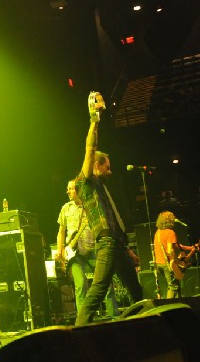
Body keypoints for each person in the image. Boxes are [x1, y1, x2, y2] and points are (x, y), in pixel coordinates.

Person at [73, 91, 143, 326]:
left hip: (117, 244)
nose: (111, 171)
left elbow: (114, 220)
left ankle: (144, 326)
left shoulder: (101, 188)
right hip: (107, 243)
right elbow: (90, 150)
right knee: (98, 290)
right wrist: (94, 119)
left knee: (136, 292)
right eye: (108, 167)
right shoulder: (86, 182)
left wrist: (127, 248)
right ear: (97, 165)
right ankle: (77, 334)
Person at [56, 180, 119, 319]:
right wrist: (60, 250)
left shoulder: (89, 206)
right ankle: (84, 320)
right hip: (75, 254)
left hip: (93, 250)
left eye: (71, 189)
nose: (68, 191)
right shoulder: (65, 208)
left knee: (106, 284)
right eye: (67, 189)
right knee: (81, 286)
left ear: (78, 190)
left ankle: (115, 317)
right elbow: (61, 232)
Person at [153, 211, 197, 299]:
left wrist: (191, 248)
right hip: (168, 265)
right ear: (170, 220)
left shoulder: (158, 232)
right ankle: (168, 308)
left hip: (159, 264)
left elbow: (177, 245)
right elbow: (170, 251)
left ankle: (177, 307)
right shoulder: (170, 232)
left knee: (175, 286)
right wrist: (178, 262)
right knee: (173, 287)